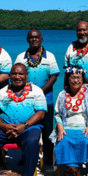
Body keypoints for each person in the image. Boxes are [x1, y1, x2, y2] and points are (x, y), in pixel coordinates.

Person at [15, 29, 59, 168]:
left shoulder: (50, 56)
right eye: (31, 37)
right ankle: (26, 156)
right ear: (27, 40)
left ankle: (47, 159)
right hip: (25, 101)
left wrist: (41, 91)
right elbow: (16, 77)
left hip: (47, 100)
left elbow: (54, 76)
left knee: (47, 132)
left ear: (41, 39)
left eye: (37, 37)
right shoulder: (21, 57)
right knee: (26, 130)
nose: (34, 40)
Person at [51, 66, 88, 176]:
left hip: (86, 127)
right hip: (67, 127)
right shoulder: (62, 94)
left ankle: (71, 167)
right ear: (68, 79)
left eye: (78, 78)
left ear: (83, 79)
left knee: (85, 140)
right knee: (63, 140)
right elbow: (58, 114)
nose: (76, 80)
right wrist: (60, 128)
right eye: (73, 77)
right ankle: (75, 169)